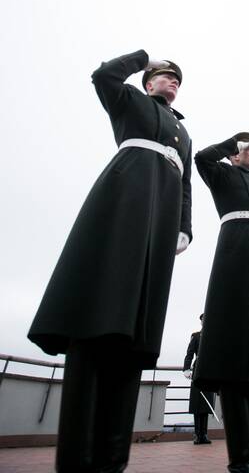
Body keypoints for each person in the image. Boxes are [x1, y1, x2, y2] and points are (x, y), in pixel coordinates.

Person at [28, 50, 192, 473]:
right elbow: (102, 75)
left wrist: (184, 227)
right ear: (147, 81)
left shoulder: (183, 132)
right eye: (163, 76)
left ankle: (111, 463)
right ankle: (77, 463)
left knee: (135, 336)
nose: (171, 81)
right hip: (124, 201)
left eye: (176, 79)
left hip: (162, 221)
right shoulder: (127, 101)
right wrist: (142, 57)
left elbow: (186, 183)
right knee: (100, 317)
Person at [194, 133, 249, 473]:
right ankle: (242, 458)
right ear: (233, 155)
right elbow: (200, 158)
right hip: (237, 259)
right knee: (234, 360)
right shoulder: (223, 174)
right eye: (248, 147)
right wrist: (234, 142)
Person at [183, 313, 215, 444]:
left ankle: (204, 434)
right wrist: (186, 369)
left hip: (209, 372)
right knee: (197, 403)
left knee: (206, 404)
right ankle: (197, 434)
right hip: (197, 372)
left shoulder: (213, 336)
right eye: (203, 320)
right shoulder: (196, 336)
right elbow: (189, 353)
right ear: (201, 322)